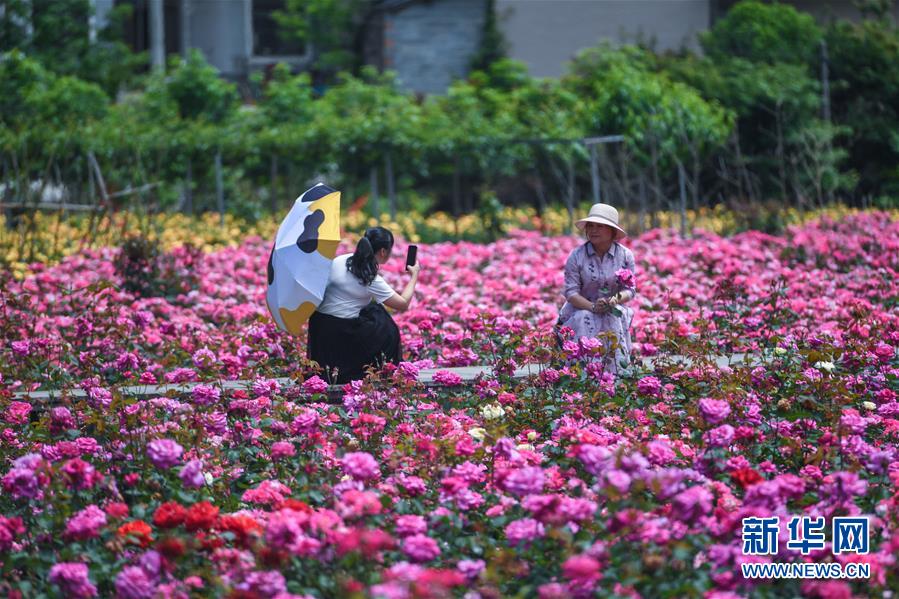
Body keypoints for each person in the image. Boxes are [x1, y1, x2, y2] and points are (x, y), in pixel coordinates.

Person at [307, 226, 421, 383]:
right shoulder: (369, 278)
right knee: (386, 326)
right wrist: (414, 275)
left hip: (318, 328)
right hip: (339, 333)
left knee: (373, 309)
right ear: (383, 251)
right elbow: (402, 304)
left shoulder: (340, 260)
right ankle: (376, 370)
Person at [557, 203, 637, 374]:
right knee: (584, 317)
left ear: (612, 232)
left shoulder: (625, 256)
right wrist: (593, 307)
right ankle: (583, 372)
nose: (593, 230)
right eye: (590, 226)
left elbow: (630, 289)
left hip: (612, 307)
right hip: (580, 308)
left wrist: (614, 300)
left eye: (600, 226)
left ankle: (615, 374)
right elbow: (571, 293)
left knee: (613, 316)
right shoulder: (576, 256)